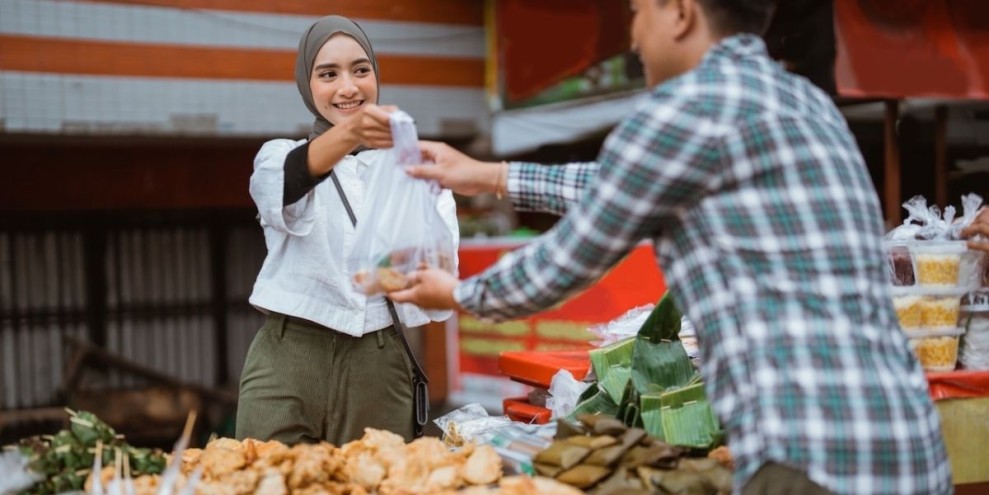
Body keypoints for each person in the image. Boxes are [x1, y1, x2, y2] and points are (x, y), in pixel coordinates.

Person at [389, 0, 951, 493]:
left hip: (812, 457)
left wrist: (459, 293)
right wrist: (492, 175)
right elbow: (632, 183)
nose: (633, 37)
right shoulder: (806, 102)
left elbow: (567, 260)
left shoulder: (687, 108)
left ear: (680, 12)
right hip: (910, 443)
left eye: (637, 11)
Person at [238, 15, 459, 446]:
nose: (348, 87)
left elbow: (434, 270)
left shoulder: (416, 169)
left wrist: (400, 272)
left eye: (361, 70)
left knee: (376, 482)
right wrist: (355, 130)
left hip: (379, 355)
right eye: (328, 74)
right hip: (289, 351)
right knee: (260, 475)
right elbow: (285, 184)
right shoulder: (280, 155)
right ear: (307, 84)